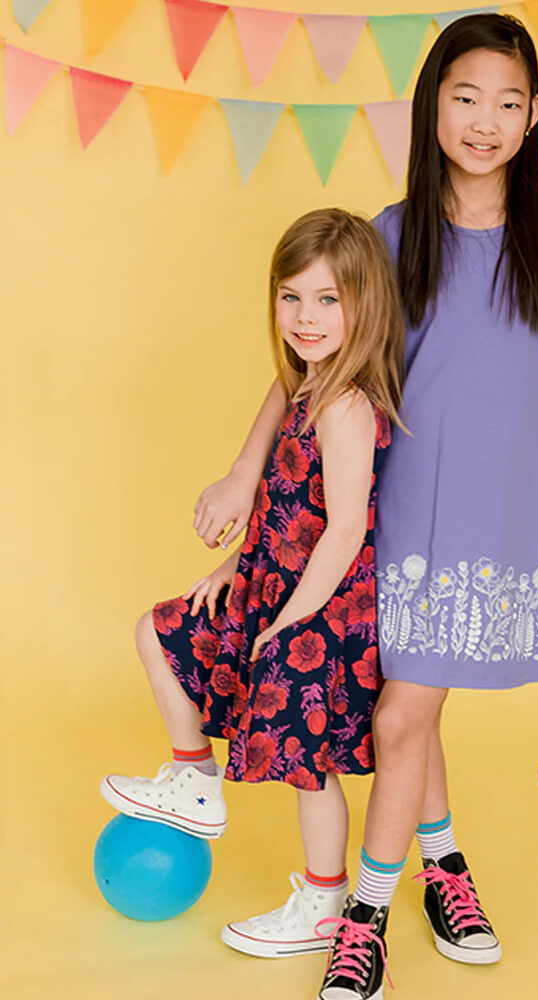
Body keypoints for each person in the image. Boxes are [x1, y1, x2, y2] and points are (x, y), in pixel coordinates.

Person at [193, 14, 538, 998]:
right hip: (398, 518)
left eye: (510, 102)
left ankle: (415, 881)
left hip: (506, 516)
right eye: (466, 97)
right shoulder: (390, 234)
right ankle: (395, 901)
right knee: (404, 714)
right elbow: (314, 365)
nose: (486, 120)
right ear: (432, 107)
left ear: (535, 115)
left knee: (405, 711)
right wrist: (244, 471)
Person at [99, 208, 404, 960]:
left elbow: (342, 528)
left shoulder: (346, 406)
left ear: (366, 304)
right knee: (161, 630)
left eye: (328, 300)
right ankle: (195, 776)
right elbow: (287, 506)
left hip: (321, 616)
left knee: (309, 769)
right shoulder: (306, 385)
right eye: (291, 296)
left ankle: (325, 903)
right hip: (271, 587)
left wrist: (292, 623)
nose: (305, 316)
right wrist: (236, 568)